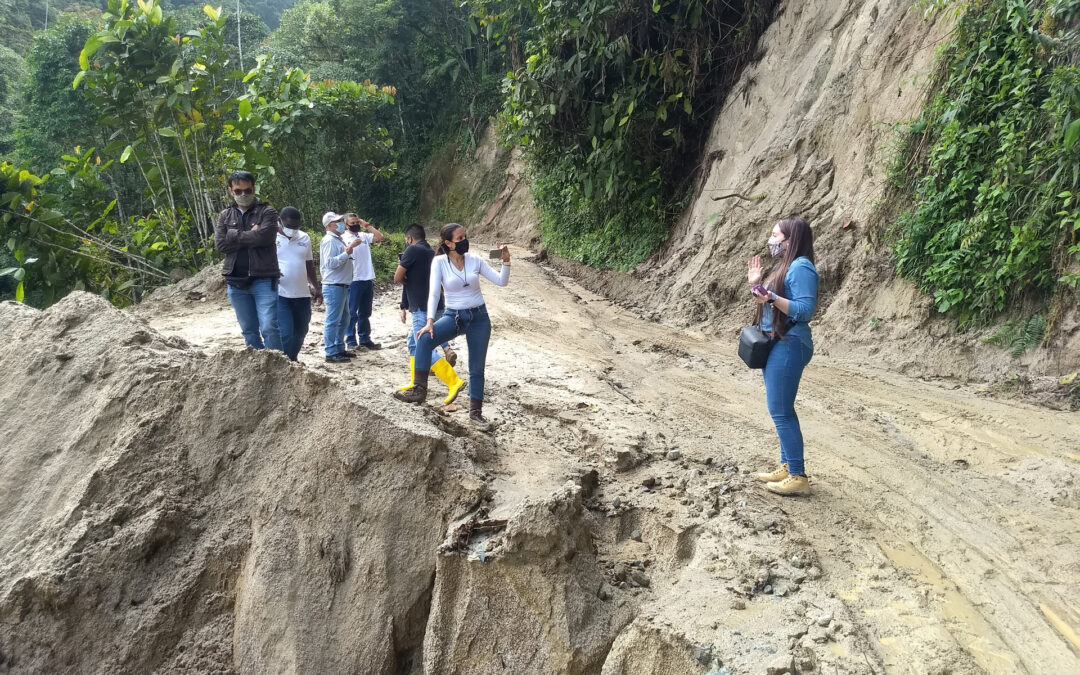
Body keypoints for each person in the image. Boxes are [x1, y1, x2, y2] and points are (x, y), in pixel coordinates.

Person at [394, 223, 510, 431]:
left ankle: (476, 414)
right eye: (459, 238)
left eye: (465, 236)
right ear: (448, 243)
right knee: (423, 339)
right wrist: (430, 321)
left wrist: (506, 262)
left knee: (477, 368)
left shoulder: (475, 260)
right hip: (454, 316)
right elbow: (434, 293)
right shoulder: (439, 262)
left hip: (479, 318)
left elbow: (501, 282)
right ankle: (419, 388)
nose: (464, 241)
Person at [749, 216, 819, 496]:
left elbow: (804, 310)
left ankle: (798, 475)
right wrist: (757, 285)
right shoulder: (787, 266)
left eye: (776, 235)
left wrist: (769, 296)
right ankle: (787, 466)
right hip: (778, 341)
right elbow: (767, 302)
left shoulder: (802, 267)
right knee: (780, 409)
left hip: (790, 343)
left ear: (790, 239)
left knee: (780, 411)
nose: (771, 239)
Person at [394, 223, 465, 405]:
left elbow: (397, 277)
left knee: (423, 344)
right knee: (412, 342)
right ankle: (414, 382)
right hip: (437, 305)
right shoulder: (432, 252)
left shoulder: (411, 251)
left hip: (421, 307)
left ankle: (453, 381)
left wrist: (406, 284)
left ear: (409, 238)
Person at [213, 170, 282, 351]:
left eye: (247, 190)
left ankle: (279, 368)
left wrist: (234, 235)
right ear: (230, 191)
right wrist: (252, 234)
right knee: (248, 330)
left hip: (264, 279)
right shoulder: (224, 216)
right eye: (238, 191)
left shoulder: (267, 211)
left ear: (254, 189)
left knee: (269, 327)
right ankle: (258, 369)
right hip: (235, 281)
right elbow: (220, 244)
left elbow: (265, 238)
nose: (243, 195)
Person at [275, 207, 321, 361]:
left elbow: (309, 265)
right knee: (286, 332)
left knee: (301, 331)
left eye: (296, 227)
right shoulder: (270, 238)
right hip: (280, 293)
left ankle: (292, 359)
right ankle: (285, 364)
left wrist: (316, 287)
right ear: (280, 221)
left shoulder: (304, 238)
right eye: (289, 227)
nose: (293, 230)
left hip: (302, 293)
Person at [320, 211, 364, 363]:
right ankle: (331, 351)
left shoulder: (337, 239)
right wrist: (348, 251)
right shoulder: (329, 241)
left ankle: (339, 347)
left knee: (344, 318)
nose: (340, 223)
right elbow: (330, 263)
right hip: (333, 285)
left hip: (342, 284)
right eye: (337, 221)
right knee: (333, 319)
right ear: (329, 225)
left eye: (340, 220)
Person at [342, 213, 385, 351]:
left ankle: (365, 339)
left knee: (365, 312)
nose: (355, 225)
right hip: (353, 279)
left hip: (367, 277)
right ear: (346, 225)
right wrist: (352, 245)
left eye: (356, 222)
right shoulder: (343, 238)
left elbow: (379, 237)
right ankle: (350, 340)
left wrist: (366, 224)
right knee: (352, 311)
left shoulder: (363, 235)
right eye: (352, 223)